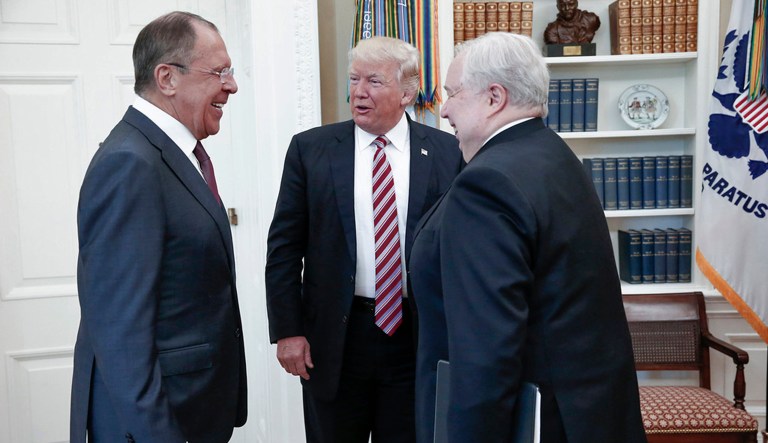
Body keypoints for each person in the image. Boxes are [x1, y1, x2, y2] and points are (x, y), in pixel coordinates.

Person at [409, 32, 646, 443]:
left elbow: (486, 351)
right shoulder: (553, 154)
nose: (444, 110)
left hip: (534, 423)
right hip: (585, 415)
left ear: (494, 97)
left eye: (453, 93)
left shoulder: (488, 183)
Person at [265, 36, 462, 443]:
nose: (358, 92)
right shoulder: (311, 150)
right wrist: (287, 330)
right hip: (335, 339)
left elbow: (460, 251)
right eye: (354, 79)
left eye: (374, 81)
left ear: (406, 93)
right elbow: (284, 248)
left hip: (415, 336)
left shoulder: (447, 152)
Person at [70, 11, 246, 443]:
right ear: (167, 78)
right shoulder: (130, 163)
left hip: (192, 410)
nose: (232, 85)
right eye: (219, 72)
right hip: (155, 424)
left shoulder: (174, 153)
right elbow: (120, 332)